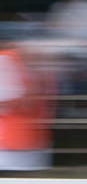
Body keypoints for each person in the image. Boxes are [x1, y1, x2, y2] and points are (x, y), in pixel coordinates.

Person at [0, 42, 54, 172]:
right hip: (29, 147)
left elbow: (23, 103)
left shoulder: (7, 60)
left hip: (11, 148)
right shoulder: (35, 63)